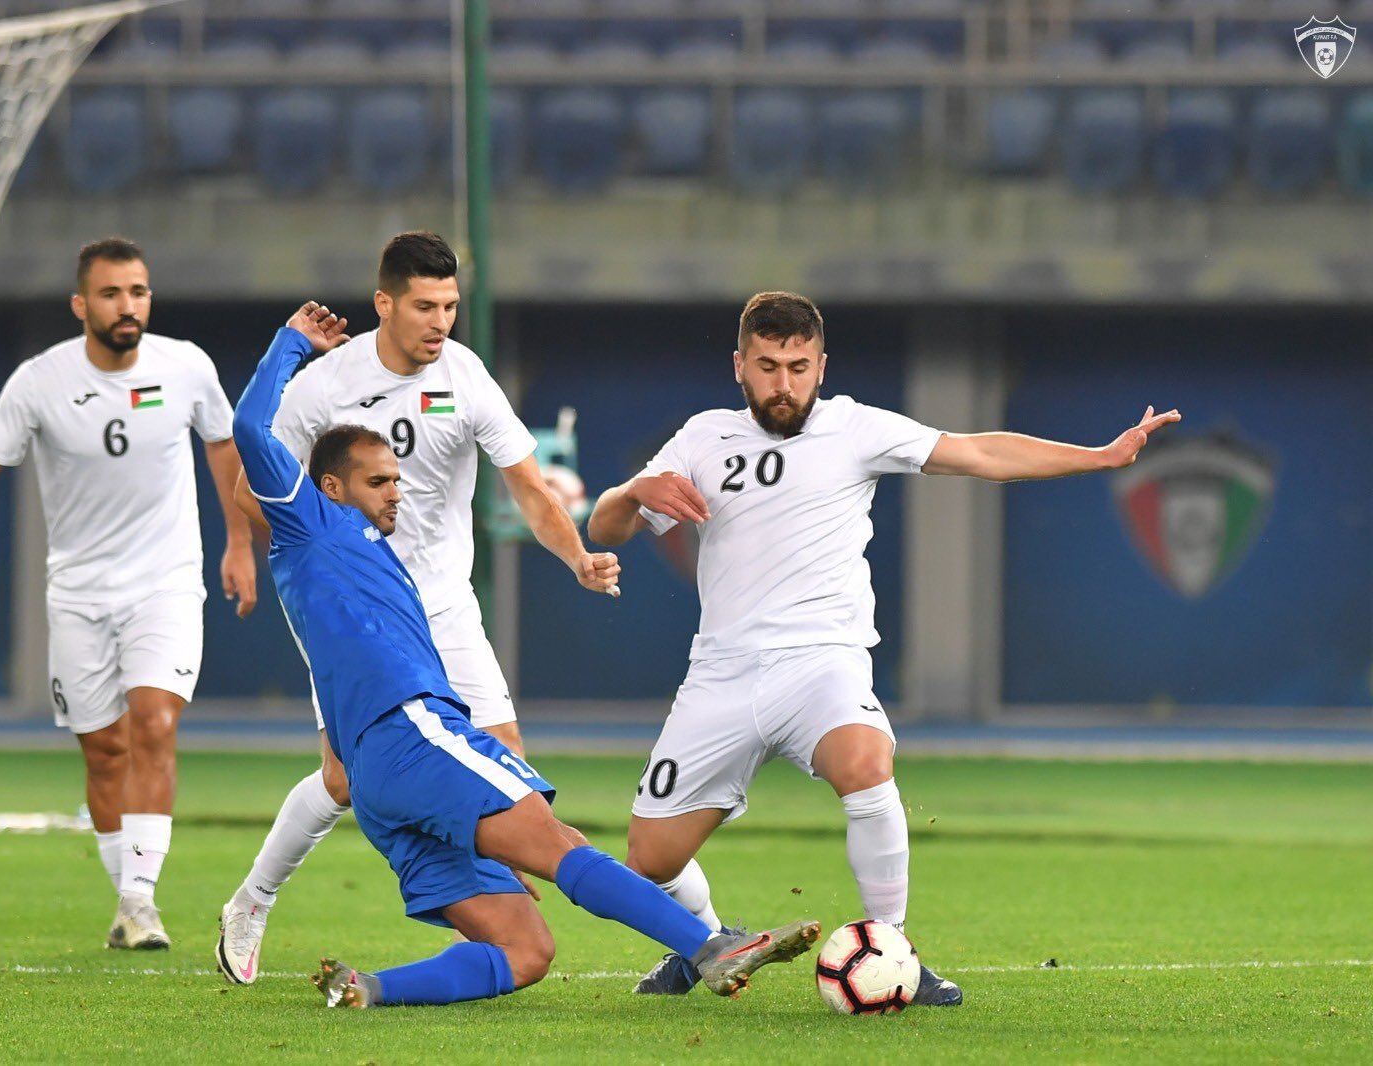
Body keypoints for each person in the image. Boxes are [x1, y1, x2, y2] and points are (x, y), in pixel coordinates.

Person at [586, 291, 1181, 1005]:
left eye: (799, 367)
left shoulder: (854, 428)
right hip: (722, 674)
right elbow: (607, 528)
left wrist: (1100, 457)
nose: (784, 384)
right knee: (649, 859)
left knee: (866, 764)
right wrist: (632, 490)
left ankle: (892, 949)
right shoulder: (701, 438)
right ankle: (709, 947)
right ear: (739, 365)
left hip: (822, 663)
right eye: (768, 366)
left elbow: (980, 451)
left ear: (821, 365)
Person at [229, 302, 819, 1008]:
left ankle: (366, 989)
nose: (397, 491)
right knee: (557, 840)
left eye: (397, 477)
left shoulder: (372, 557)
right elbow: (247, 430)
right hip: (411, 737)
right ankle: (710, 945)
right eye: (378, 481)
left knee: (527, 950)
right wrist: (292, 345)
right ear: (329, 488)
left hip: (381, 780)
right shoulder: (308, 526)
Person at [216, 232, 617, 984]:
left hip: (444, 604)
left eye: (451, 307)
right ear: (384, 304)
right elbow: (250, 491)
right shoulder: (327, 383)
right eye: (425, 306)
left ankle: (484, 940)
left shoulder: (465, 375)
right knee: (342, 781)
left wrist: (577, 558)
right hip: (358, 618)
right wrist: (336, 561)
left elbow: (528, 485)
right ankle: (252, 901)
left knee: (511, 779)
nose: (441, 322)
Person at [0, 236, 257, 949]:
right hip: (79, 593)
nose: (129, 306)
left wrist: (239, 544)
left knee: (153, 724)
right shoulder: (38, 381)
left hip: (167, 583)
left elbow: (223, 448)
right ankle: (127, 899)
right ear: (82, 304)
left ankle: (141, 902)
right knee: (105, 751)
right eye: (113, 294)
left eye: (139, 292)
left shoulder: (187, 367)